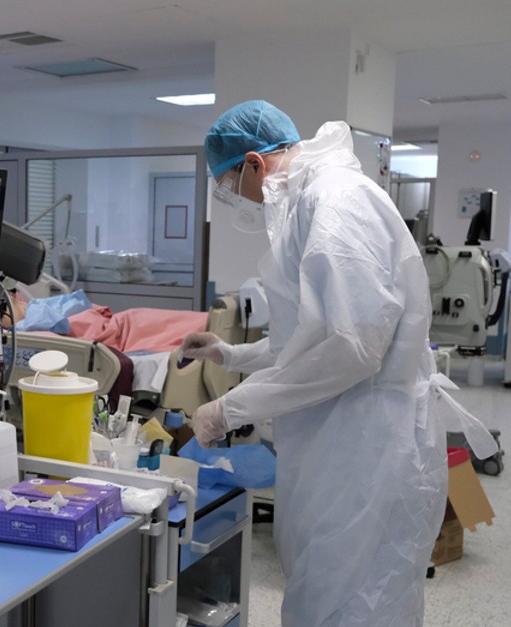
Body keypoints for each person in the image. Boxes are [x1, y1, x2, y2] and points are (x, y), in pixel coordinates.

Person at [181, 100, 451, 626]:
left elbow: (352, 349)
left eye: (233, 184)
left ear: (254, 163)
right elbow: (311, 339)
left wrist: (231, 408)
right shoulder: (313, 202)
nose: (240, 198)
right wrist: (230, 354)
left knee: (353, 601)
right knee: (327, 590)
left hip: (367, 441)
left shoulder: (336, 203)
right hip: (344, 434)